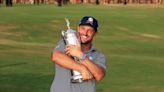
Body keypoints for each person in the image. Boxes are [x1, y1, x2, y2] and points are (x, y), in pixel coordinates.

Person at [51, 16, 106, 92]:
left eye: (90, 30)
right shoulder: (66, 42)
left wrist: (81, 55)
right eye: (83, 28)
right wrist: (81, 68)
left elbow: (99, 75)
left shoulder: (98, 54)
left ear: (95, 33)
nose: (85, 33)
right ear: (78, 28)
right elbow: (56, 57)